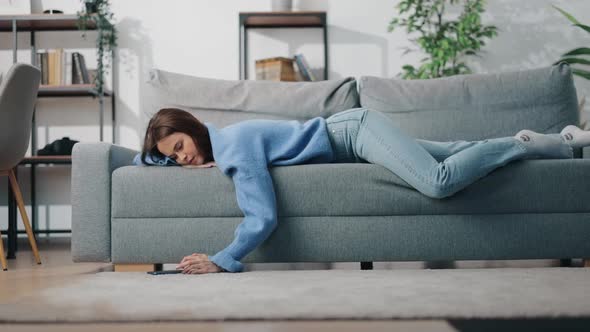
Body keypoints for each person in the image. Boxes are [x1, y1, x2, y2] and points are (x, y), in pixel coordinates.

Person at [136, 107, 590, 275]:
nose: (183, 159)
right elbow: (146, 159)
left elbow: (263, 217)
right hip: (352, 140)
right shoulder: (221, 143)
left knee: (438, 182)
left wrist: (222, 258)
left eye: (181, 147)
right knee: (459, 152)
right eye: (173, 157)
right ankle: (564, 145)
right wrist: (150, 156)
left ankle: (521, 142)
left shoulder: (234, 146)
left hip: (354, 132)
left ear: (194, 129)